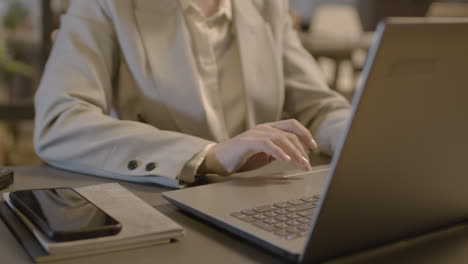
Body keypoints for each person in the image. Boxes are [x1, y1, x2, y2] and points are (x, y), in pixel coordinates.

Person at [34, 0, 351, 188]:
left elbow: (318, 107)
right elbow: (60, 120)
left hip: (264, 198)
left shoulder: (266, 4)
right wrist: (208, 155)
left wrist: (354, 136)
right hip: (163, 204)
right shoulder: (105, 5)